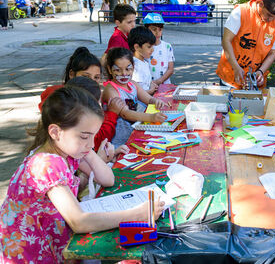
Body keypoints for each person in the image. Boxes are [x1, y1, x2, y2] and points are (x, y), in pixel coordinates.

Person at [0, 86, 164, 263]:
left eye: (93, 136)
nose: (92, 143)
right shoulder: (46, 164)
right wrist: (136, 214)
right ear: (55, 132)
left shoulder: (66, 151)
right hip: (31, 256)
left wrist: (87, 148)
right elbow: (79, 222)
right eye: (85, 136)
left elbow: (108, 179)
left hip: (51, 246)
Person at [38, 47, 127, 151]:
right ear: (72, 74)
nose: (92, 82)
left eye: (96, 77)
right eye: (86, 77)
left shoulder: (87, 96)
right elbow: (96, 141)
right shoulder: (65, 103)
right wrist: (112, 113)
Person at [216, 0, 275, 89]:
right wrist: (235, 67)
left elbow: (272, 53)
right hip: (230, 77)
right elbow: (226, 41)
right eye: (268, 15)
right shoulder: (241, 12)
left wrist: (261, 71)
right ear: (262, 4)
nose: (270, 20)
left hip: (254, 82)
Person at [102, 47, 168, 147]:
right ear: (110, 70)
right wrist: (151, 117)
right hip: (119, 135)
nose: (124, 73)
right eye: (118, 70)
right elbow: (125, 114)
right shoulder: (111, 90)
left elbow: (148, 99)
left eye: (128, 69)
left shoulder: (132, 84)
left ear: (133, 67)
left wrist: (156, 101)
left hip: (134, 126)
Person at [143, 13, 175, 85]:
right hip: (147, 85)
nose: (157, 32)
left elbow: (170, 69)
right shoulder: (143, 47)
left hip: (165, 85)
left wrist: (160, 81)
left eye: (160, 29)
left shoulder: (167, 46)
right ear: (146, 30)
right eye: (154, 29)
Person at [128, 26, 158, 95]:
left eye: (153, 46)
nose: (152, 49)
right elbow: (135, 93)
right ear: (137, 47)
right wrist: (151, 90)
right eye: (149, 47)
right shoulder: (134, 66)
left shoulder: (144, 62)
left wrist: (152, 84)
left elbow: (146, 82)